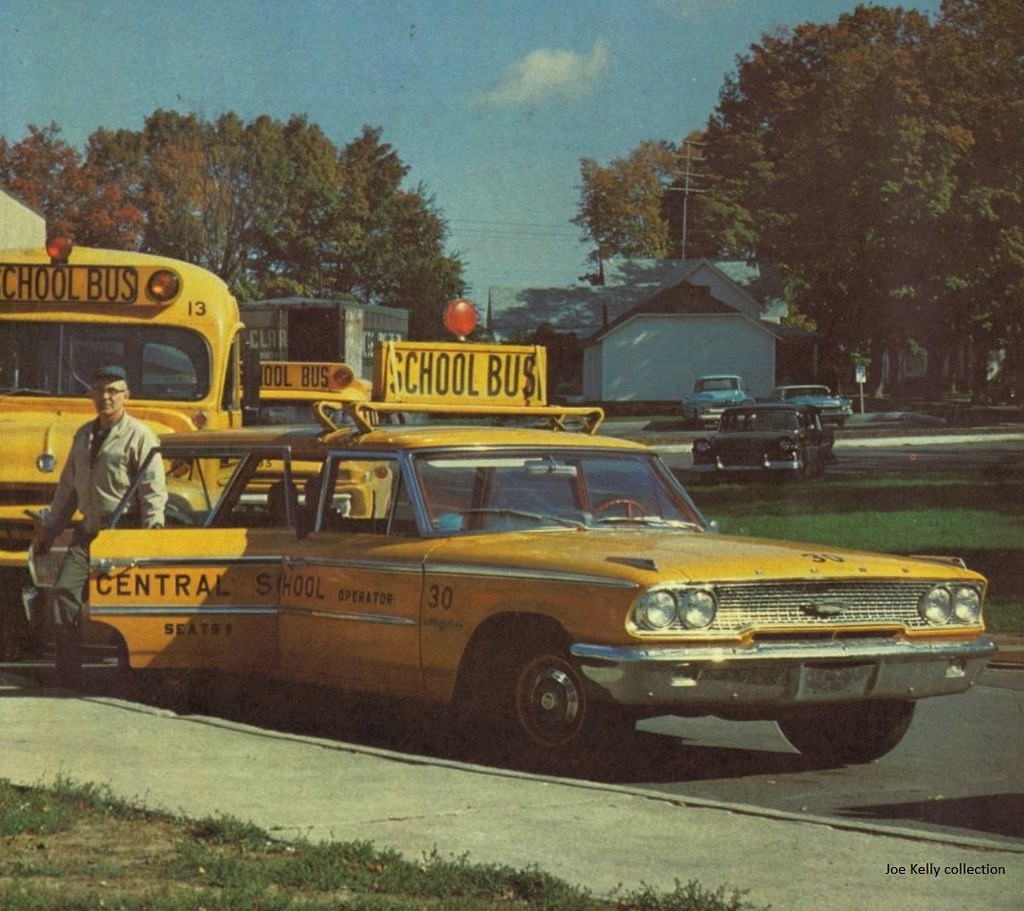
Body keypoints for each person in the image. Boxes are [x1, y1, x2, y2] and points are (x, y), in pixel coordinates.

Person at [31, 365, 167, 685]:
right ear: (91, 394)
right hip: (88, 532)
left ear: (126, 396)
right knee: (65, 593)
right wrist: (49, 532)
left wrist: (152, 537)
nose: (105, 397)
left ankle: (131, 675)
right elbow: (67, 490)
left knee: (124, 604)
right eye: (99, 390)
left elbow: (152, 489)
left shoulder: (140, 436)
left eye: (113, 391)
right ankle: (68, 675)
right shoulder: (83, 435)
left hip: (124, 533)